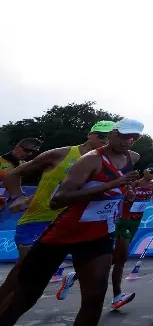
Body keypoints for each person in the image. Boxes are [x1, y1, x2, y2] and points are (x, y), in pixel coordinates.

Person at [0, 118, 143, 326]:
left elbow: (114, 187)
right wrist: (17, 197)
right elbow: (57, 199)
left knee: (95, 298)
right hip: (50, 225)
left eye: (134, 137)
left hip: (98, 233)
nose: (128, 140)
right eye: (120, 135)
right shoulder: (76, 157)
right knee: (25, 292)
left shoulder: (131, 158)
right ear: (97, 135)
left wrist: (124, 191)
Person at [108, 167, 153, 310]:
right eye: (151, 171)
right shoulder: (135, 183)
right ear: (144, 171)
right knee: (122, 258)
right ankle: (117, 295)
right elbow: (125, 196)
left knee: (115, 258)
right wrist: (129, 195)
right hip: (123, 220)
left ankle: (77, 275)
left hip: (135, 222)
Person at [0, 138, 42, 209]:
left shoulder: (25, 165)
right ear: (17, 147)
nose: (29, 153)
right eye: (27, 150)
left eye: (33, 152)